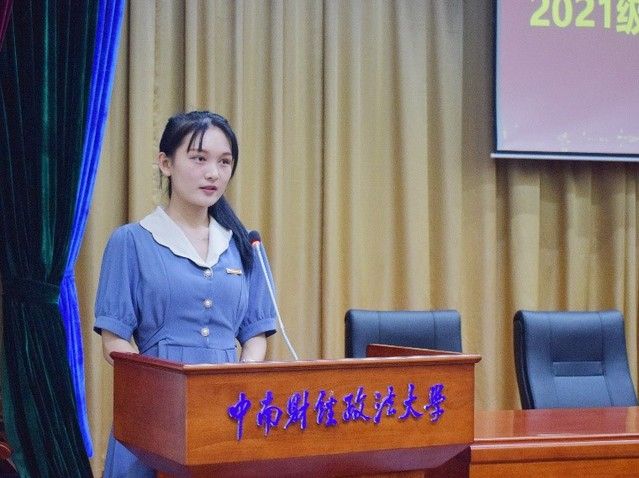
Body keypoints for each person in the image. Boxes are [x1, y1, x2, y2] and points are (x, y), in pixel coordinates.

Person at [94, 111, 277, 477]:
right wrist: (160, 388)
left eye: (224, 162)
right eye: (199, 158)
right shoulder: (130, 242)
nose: (213, 173)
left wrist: (241, 376)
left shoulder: (245, 246)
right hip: (152, 416)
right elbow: (114, 340)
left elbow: (256, 333)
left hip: (227, 414)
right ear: (166, 163)